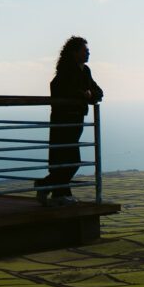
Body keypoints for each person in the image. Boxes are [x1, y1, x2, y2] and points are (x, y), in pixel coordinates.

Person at [36, 36, 103, 206]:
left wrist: (89, 94)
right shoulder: (66, 71)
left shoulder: (85, 71)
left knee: (67, 159)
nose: (88, 53)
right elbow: (61, 89)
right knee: (68, 159)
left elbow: (99, 92)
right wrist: (85, 95)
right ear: (75, 53)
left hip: (75, 121)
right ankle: (49, 188)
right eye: (84, 50)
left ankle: (53, 190)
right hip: (64, 121)